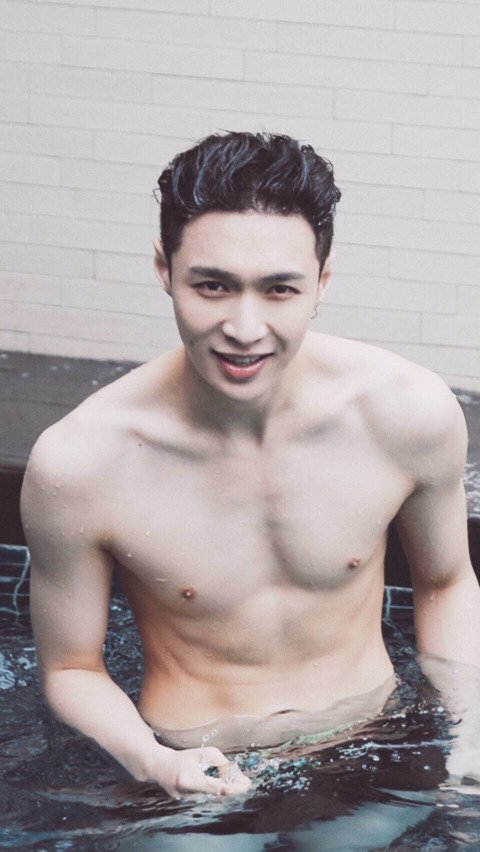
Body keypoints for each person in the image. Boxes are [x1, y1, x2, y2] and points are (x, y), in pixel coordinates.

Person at [21, 132, 480, 799]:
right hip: (192, 764)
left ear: (321, 282)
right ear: (164, 269)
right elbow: (70, 669)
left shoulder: (406, 413)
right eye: (213, 286)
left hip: (374, 739)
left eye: (279, 290)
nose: (243, 327)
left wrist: (468, 723)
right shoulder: (83, 463)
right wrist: (153, 761)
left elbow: (446, 582)